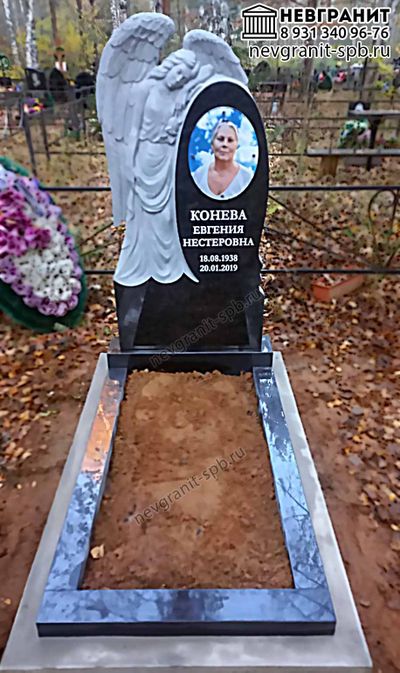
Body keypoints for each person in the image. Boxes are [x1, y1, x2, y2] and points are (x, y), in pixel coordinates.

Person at [192, 120, 253, 199]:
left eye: (230, 140)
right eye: (220, 139)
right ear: (212, 144)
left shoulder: (247, 177)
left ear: (236, 146)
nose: (225, 144)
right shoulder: (198, 175)